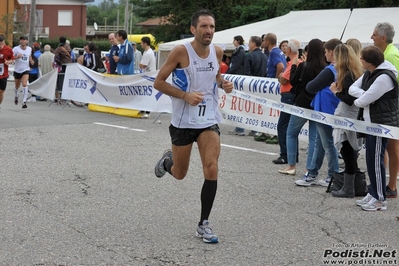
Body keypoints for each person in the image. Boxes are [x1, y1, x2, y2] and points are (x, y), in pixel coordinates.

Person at [153, 9, 233, 244]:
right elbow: (159, 82)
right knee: (180, 173)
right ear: (193, 29)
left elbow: (215, 76)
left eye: (212, 27)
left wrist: (223, 83)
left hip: (208, 120)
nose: (209, 31)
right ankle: (167, 162)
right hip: (183, 122)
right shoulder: (180, 52)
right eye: (204, 26)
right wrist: (185, 95)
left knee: (212, 168)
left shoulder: (217, 51)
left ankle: (203, 224)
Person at [349, 45, 399, 211]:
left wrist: (362, 98)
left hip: (380, 124)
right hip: (371, 121)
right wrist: (366, 95)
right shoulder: (369, 73)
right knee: (371, 159)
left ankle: (379, 198)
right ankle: (373, 192)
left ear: (369, 62)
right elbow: (352, 89)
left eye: (362, 58)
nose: (360, 60)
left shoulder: (384, 77)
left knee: (377, 160)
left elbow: (361, 101)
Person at [294, 38, 342, 187]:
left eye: (326, 51)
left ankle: (332, 175)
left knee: (326, 143)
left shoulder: (330, 70)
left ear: (332, 52)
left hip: (324, 110)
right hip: (330, 109)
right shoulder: (341, 68)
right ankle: (314, 172)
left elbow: (310, 86)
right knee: (321, 143)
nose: (325, 54)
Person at [278, 39, 327, 176]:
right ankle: (309, 168)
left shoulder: (304, 65)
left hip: (301, 104)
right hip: (316, 104)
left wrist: (294, 66)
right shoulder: (325, 67)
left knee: (291, 133)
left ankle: (292, 165)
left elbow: (293, 81)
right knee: (313, 139)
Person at [329, 44, 364, 197]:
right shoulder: (353, 72)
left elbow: (349, 100)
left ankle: (348, 188)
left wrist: (336, 92)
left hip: (349, 117)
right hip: (351, 116)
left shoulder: (347, 75)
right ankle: (352, 185)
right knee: (349, 151)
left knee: (348, 151)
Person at [371, 22, 399, 199]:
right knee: (385, 146)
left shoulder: (392, 55)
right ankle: (383, 182)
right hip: (388, 108)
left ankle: (392, 185)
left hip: (393, 107)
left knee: (392, 147)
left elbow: (395, 85)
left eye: (374, 34)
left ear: (382, 37)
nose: (371, 37)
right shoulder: (385, 53)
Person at [273, 39, 300, 165]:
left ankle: (286, 155)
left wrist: (281, 76)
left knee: (283, 126)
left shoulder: (293, 63)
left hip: (288, 96)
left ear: (289, 49)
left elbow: (283, 80)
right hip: (290, 96)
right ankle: (293, 154)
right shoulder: (294, 62)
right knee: (291, 127)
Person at [226, 35, 246, 136]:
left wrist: (227, 73)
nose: (233, 42)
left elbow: (236, 65)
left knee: (239, 104)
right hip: (236, 76)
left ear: (237, 41)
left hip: (237, 77)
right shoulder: (238, 51)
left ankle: (240, 128)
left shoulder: (240, 52)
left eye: (234, 40)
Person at [13, 36, 34, 109]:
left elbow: (29, 56)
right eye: (21, 40)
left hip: (25, 69)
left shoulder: (29, 49)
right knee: (17, 86)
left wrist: (31, 61)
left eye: (23, 40)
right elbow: (11, 58)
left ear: (26, 41)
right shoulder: (16, 49)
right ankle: (16, 95)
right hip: (17, 70)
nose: (22, 41)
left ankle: (24, 101)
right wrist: (17, 57)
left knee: (25, 84)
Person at [139, 36, 156, 117]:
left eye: (141, 42)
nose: (140, 44)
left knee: (147, 93)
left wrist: (140, 64)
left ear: (145, 43)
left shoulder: (148, 53)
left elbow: (143, 65)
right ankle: (143, 109)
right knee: (144, 93)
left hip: (149, 76)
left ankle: (147, 111)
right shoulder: (147, 52)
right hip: (147, 75)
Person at [54, 36, 73, 102]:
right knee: (68, 80)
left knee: (61, 80)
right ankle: (68, 96)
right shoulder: (68, 47)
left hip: (63, 65)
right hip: (70, 65)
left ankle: (62, 95)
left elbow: (55, 57)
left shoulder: (59, 48)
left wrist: (59, 62)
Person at [0, 34, 14, 109]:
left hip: (3, 74)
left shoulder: (8, 49)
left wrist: (8, 62)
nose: (0, 46)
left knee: (1, 92)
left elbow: (12, 59)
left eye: (1, 44)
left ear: (3, 42)